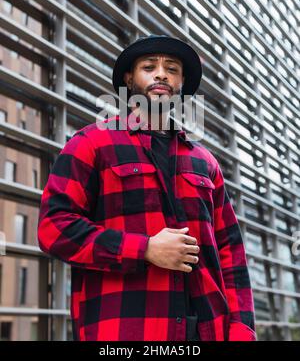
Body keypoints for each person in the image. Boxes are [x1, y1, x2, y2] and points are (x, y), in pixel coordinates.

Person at [37, 34, 256, 341]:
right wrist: (146, 249)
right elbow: (53, 229)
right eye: (149, 66)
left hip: (209, 330)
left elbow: (231, 253)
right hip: (125, 331)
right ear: (130, 78)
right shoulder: (91, 143)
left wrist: (242, 329)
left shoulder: (206, 163)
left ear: (181, 83)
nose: (162, 73)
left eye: (172, 68)